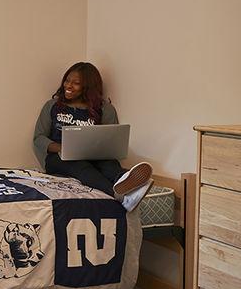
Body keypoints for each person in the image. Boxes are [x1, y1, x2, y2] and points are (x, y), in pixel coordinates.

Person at [33, 62, 153, 212]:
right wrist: (63, 148)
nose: (68, 86)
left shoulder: (105, 109)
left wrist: (100, 151)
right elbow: (38, 138)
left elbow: (112, 140)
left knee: (109, 164)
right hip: (59, 158)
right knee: (81, 166)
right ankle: (120, 196)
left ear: (88, 88)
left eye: (76, 83)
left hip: (95, 156)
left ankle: (128, 181)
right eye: (67, 80)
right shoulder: (52, 106)